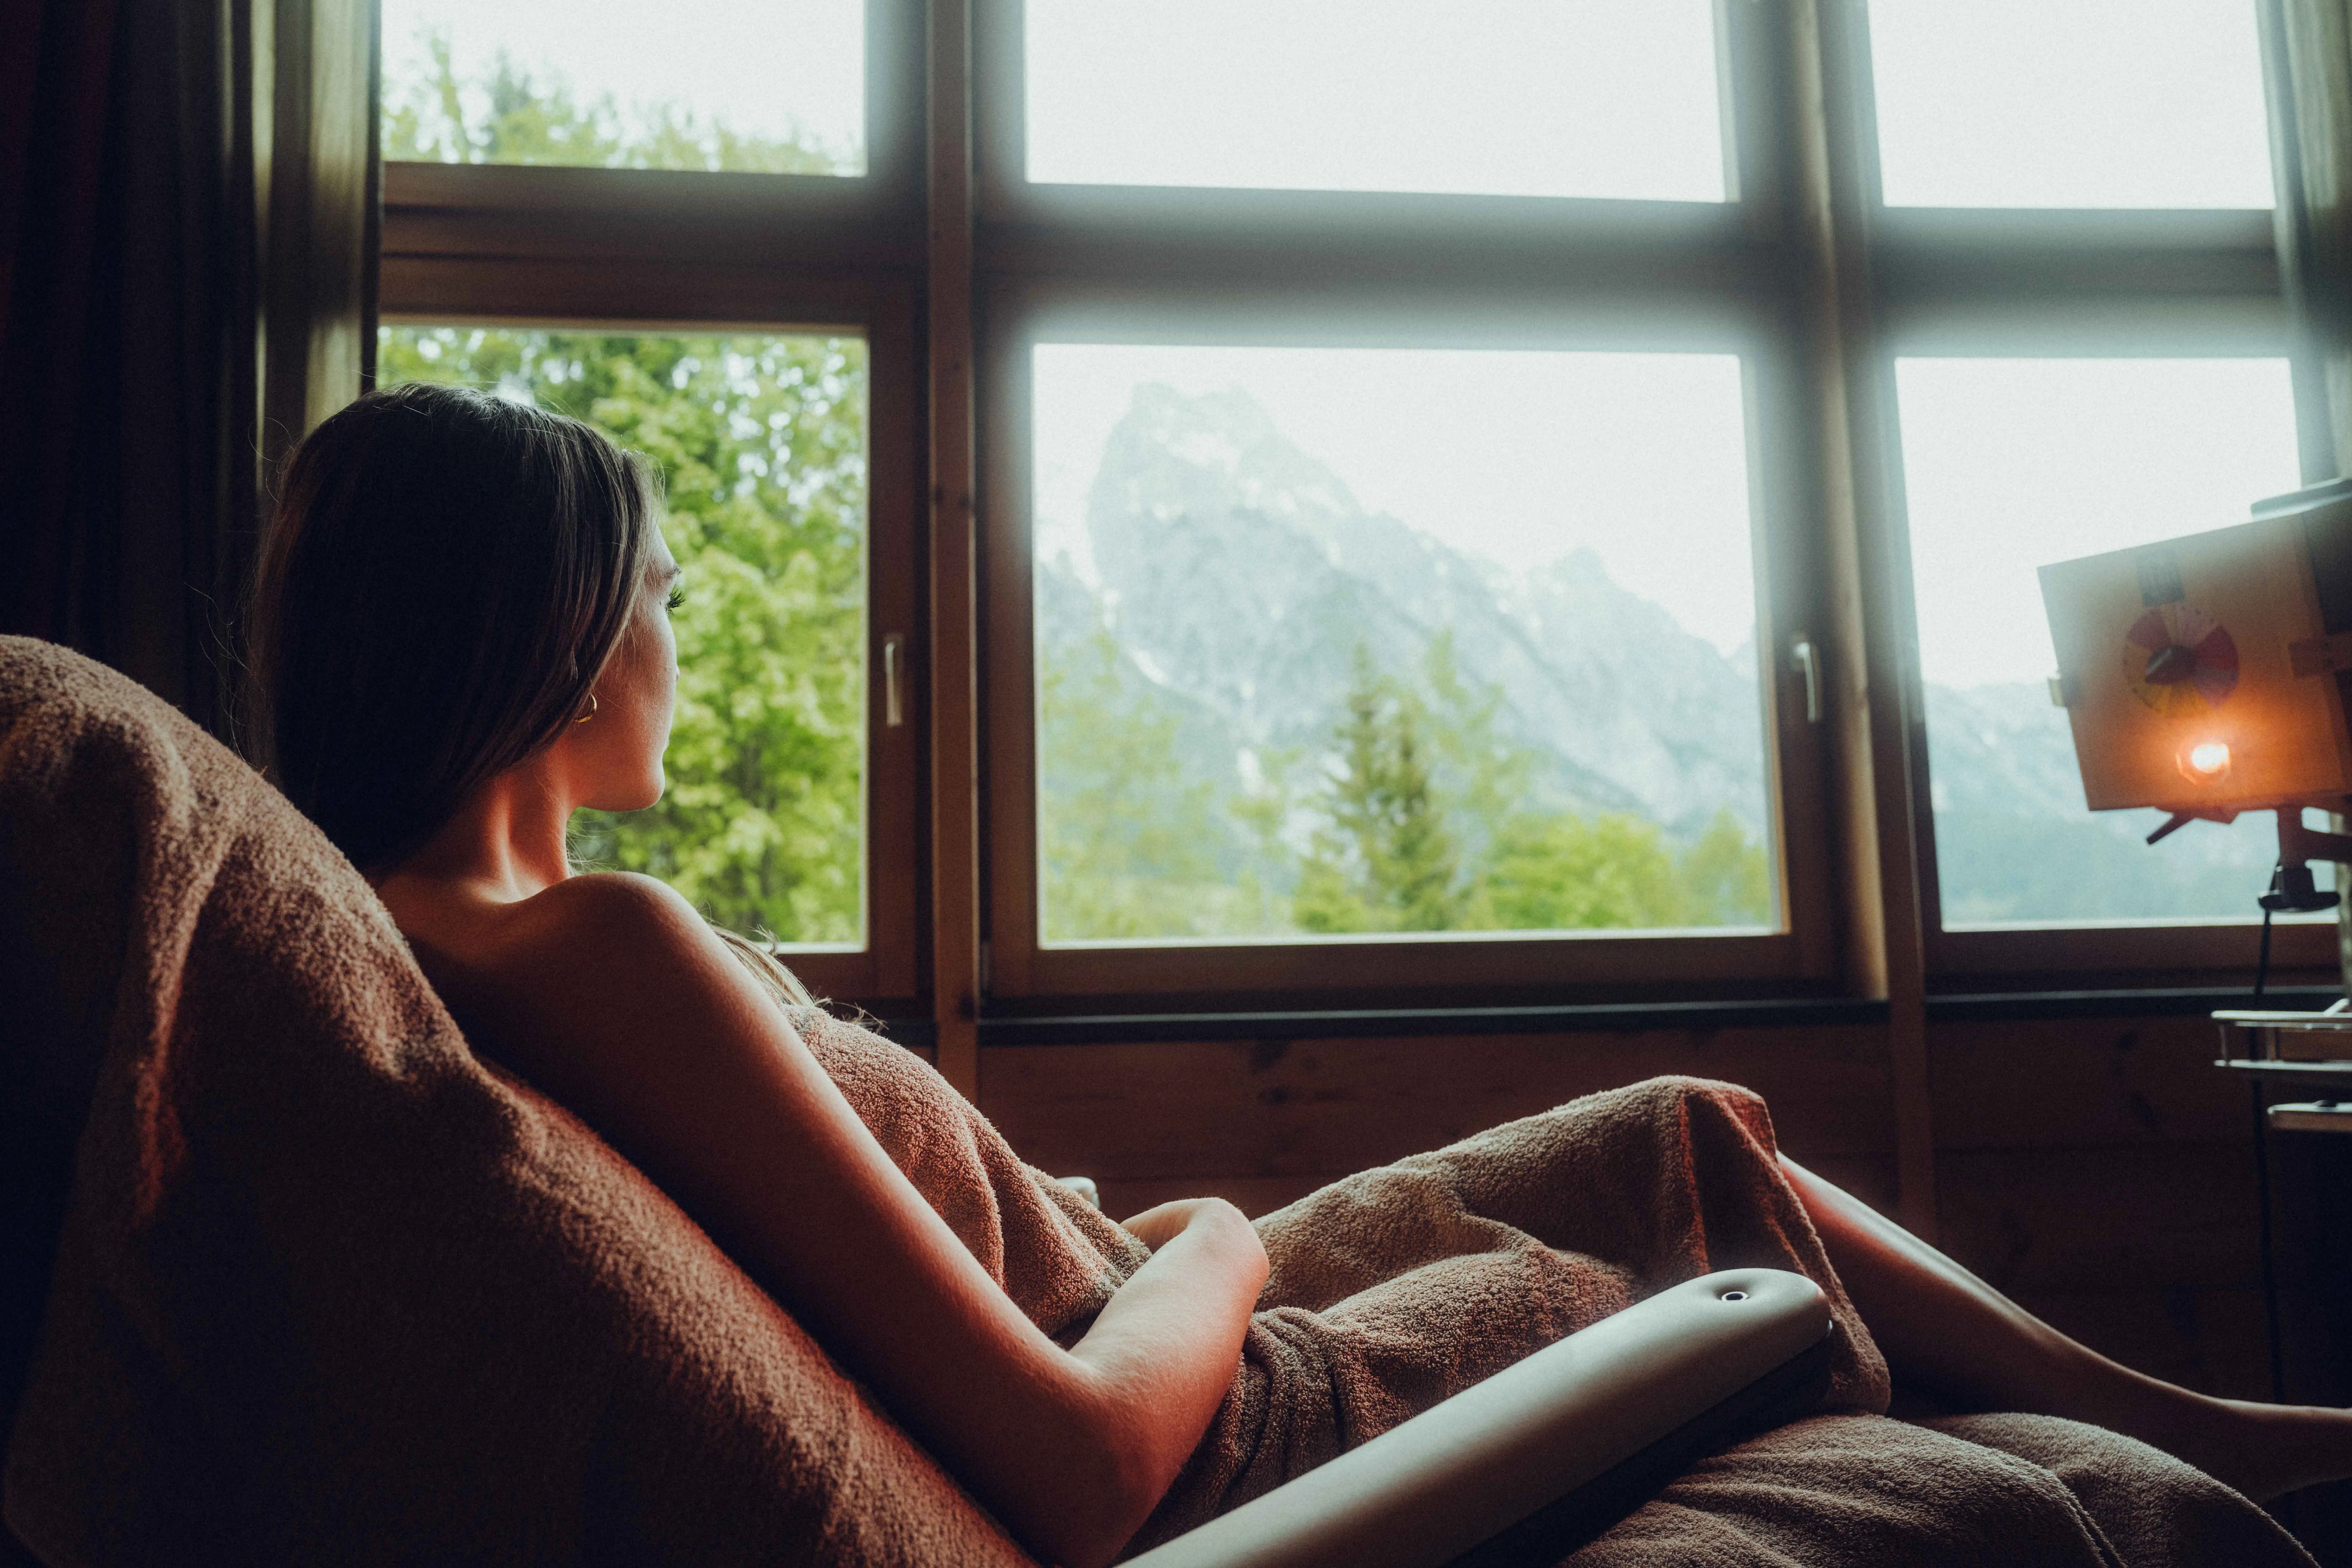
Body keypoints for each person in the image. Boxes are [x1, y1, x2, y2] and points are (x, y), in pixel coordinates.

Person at [247, 384, 2352, 1568]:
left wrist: (1159, 1253)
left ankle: (2207, 1428)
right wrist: (1227, 1240)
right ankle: (2225, 1456)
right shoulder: (586, 941)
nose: (680, 632)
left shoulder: (438, 958)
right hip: (1215, 1412)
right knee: (1691, 1190)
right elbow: (1078, 1461)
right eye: (657, 588)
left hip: (1139, 1297)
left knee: (1677, 1125)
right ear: (552, 624)